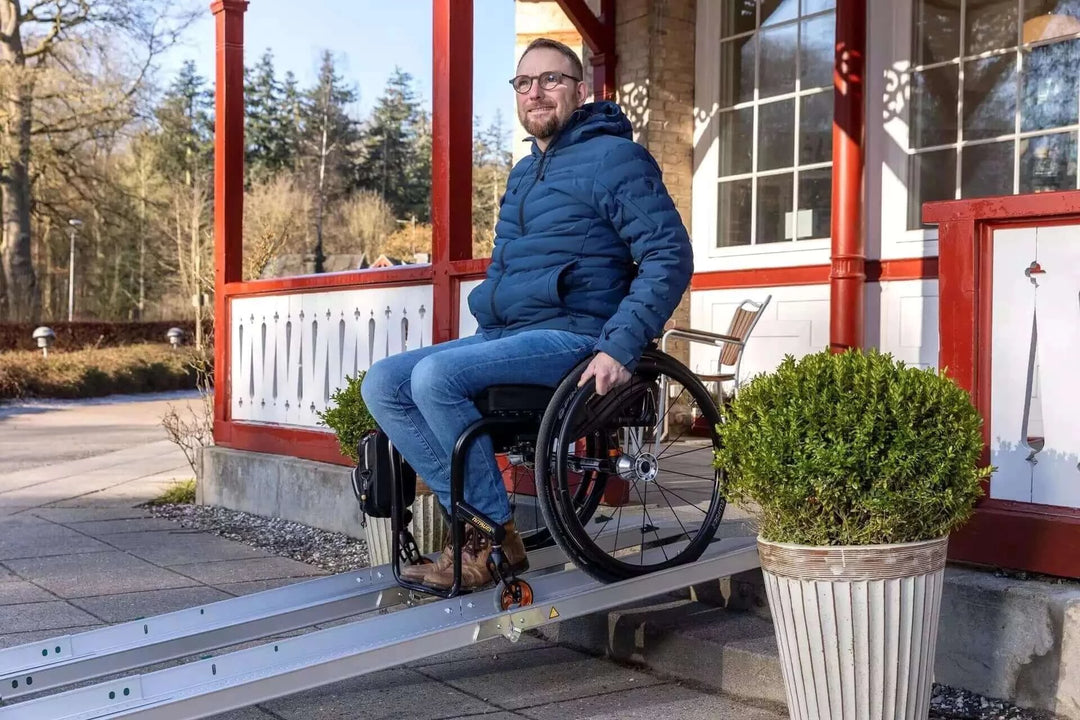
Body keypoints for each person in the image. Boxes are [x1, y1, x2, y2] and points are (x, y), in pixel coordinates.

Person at [360, 37, 693, 590]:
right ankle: (478, 525)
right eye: (524, 83)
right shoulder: (522, 173)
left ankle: (491, 539)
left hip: (579, 335)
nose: (535, 92)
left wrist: (619, 345)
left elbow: (669, 254)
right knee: (384, 382)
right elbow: (509, 267)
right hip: (511, 332)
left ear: (580, 90)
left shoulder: (615, 159)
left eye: (551, 80)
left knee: (436, 377)